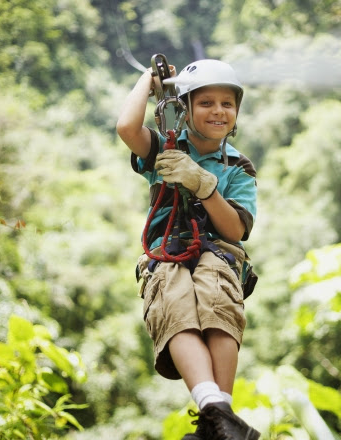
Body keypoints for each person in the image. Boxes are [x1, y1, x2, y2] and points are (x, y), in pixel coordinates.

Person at [116, 58, 259, 440]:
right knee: (174, 302)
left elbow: (235, 228)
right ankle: (214, 409)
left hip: (219, 251)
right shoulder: (166, 146)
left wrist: (204, 185)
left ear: (237, 112)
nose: (218, 111)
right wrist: (150, 80)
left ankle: (218, 415)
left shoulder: (238, 166)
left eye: (227, 104)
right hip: (167, 251)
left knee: (217, 298)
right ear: (185, 108)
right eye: (206, 102)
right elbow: (127, 128)